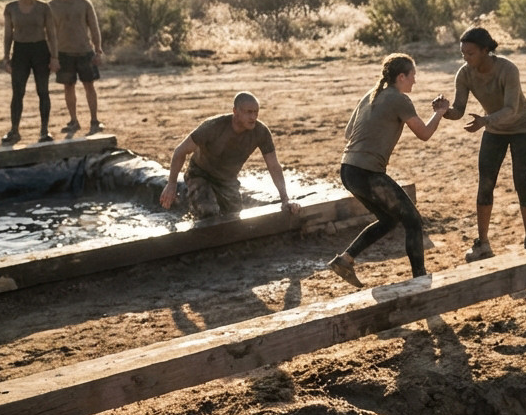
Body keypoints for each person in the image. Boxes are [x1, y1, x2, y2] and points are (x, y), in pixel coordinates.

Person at [328, 53, 448, 287]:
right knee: (412, 220)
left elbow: (347, 134)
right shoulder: (399, 99)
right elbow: (424, 133)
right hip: (367, 173)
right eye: (413, 76)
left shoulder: (370, 96)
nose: (415, 81)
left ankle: (345, 259)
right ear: (401, 77)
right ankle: (420, 279)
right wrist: (440, 112)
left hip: (348, 170)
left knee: (389, 220)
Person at [445, 27, 526, 262]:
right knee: (485, 183)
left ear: (486, 50)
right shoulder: (464, 74)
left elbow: (511, 109)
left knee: (522, 182)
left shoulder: (508, 69)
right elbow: (458, 110)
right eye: (463, 54)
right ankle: (483, 243)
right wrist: (443, 111)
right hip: (493, 130)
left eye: (471, 53)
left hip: (522, 129)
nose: (466, 58)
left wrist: (485, 120)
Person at [159, 92, 299, 219]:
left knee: (234, 217)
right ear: (235, 112)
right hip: (200, 174)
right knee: (208, 212)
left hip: (227, 180)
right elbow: (180, 151)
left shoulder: (261, 132)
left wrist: (285, 199)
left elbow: (274, 166)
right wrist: (171, 184)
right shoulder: (213, 126)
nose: (253, 117)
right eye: (249, 112)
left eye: (256, 112)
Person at [0, 0, 57, 144]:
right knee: (18, 92)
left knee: (43, 91)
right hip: (20, 51)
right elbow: (8, 34)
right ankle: (14, 130)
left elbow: (51, 34)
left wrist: (54, 57)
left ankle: (44, 131)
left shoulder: (43, 7)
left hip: (40, 50)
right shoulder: (11, 8)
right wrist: (6, 57)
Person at [48, 0, 104, 135]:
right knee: (68, 87)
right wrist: (52, 56)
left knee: (89, 86)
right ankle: (73, 121)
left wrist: (98, 49)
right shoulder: (51, 6)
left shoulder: (84, 3)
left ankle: (94, 121)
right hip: (64, 53)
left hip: (84, 51)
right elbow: (49, 33)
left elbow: (94, 27)